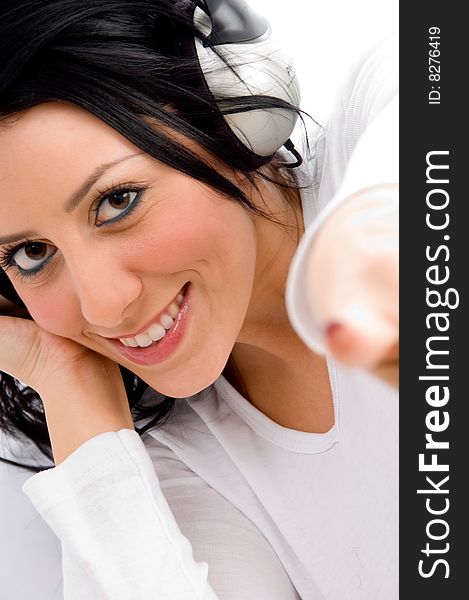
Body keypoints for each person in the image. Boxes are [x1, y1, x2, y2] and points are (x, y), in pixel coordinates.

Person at [0, 0, 398, 598]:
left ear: (235, 108)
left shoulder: (390, 112)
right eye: (32, 254)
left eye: (117, 201)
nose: (104, 307)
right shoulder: (183, 458)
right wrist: (67, 385)